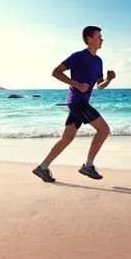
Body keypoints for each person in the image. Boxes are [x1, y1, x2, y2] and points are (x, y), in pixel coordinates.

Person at [32, 26, 115, 182]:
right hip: (77, 101)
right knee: (104, 130)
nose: (102, 39)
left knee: (67, 138)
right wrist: (76, 84)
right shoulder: (78, 56)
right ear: (89, 39)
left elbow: (99, 85)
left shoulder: (98, 61)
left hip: (80, 102)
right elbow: (56, 72)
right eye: (99, 37)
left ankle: (42, 167)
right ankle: (88, 166)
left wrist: (108, 80)